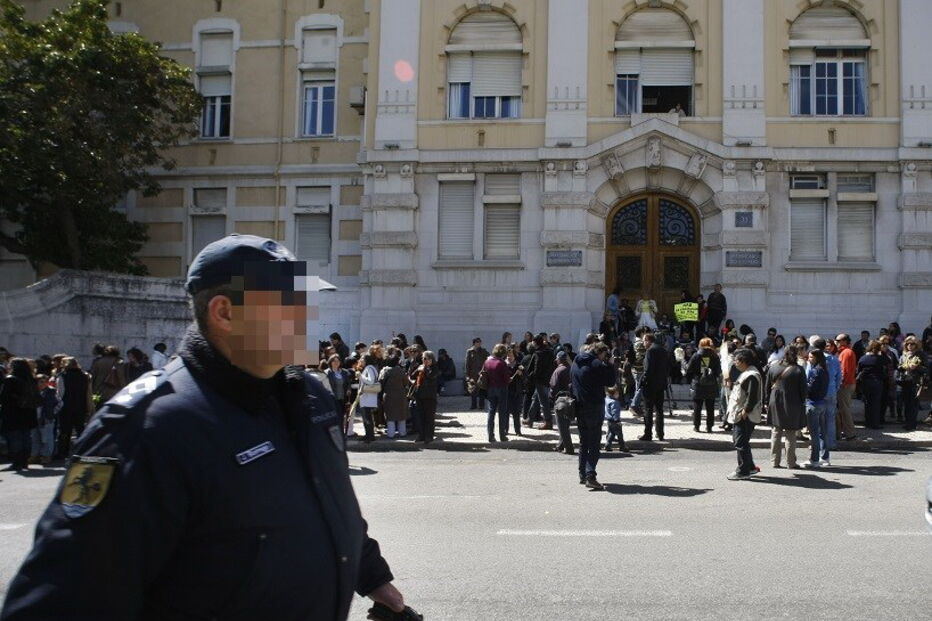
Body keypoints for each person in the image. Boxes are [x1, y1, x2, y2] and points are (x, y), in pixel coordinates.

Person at [0, 234, 410, 621]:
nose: (307, 316)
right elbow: (62, 599)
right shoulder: (147, 427)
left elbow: (330, 498)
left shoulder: (309, 396)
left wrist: (372, 576)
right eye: (289, 303)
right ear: (225, 313)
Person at [570, 342, 617, 490]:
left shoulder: (576, 361)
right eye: (604, 354)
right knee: (595, 443)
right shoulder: (596, 363)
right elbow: (611, 382)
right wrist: (610, 365)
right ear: (601, 352)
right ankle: (590, 475)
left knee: (584, 442)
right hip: (594, 407)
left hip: (579, 406)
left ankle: (582, 474)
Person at [765, 346, 807, 470]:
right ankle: (791, 462)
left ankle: (774, 461)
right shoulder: (798, 370)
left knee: (776, 432)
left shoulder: (774, 367)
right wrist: (802, 402)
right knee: (790, 434)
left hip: (775, 401)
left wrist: (767, 402)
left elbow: (767, 387)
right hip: (793, 403)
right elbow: (803, 390)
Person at [726, 349, 763, 480]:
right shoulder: (747, 373)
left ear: (743, 361)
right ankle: (750, 467)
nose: (735, 362)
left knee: (740, 442)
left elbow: (752, 396)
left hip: (744, 415)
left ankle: (743, 471)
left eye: (736, 360)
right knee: (743, 442)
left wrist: (745, 411)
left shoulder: (751, 375)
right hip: (741, 413)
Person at [0, 358, 39, 471]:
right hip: (29, 412)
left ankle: (17, 462)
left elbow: (3, 397)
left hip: (13, 413)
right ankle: (24, 461)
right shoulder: (31, 379)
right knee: (26, 437)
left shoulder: (10, 379)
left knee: (15, 438)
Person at [53, 357, 94, 460]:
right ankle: (83, 451)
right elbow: (88, 392)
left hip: (66, 406)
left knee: (64, 431)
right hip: (80, 406)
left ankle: (63, 452)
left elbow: (60, 393)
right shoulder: (85, 376)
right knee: (80, 429)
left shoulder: (62, 376)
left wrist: (57, 407)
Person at [685, 337, 721, 433]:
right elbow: (718, 371)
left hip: (698, 382)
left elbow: (689, 369)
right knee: (710, 407)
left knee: (697, 406)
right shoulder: (715, 356)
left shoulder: (696, 355)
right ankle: (709, 426)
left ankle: (697, 426)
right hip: (711, 383)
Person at [639, 332, 669, 442]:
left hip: (650, 384)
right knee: (659, 409)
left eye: (644, 341)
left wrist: (643, 381)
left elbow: (648, 369)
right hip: (661, 383)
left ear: (649, 340)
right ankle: (660, 433)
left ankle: (648, 434)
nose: (643, 343)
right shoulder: (664, 350)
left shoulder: (650, 351)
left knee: (648, 409)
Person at [805, 349, 831, 468]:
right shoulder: (824, 370)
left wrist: (804, 388)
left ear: (817, 358)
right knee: (822, 432)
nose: (809, 359)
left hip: (813, 403)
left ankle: (814, 459)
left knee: (814, 433)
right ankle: (825, 457)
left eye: (811, 357)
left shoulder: (815, 370)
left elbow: (811, 388)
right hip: (822, 402)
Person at [897, 336, 928, 431]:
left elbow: (926, 369)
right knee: (906, 403)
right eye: (907, 344)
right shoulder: (904, 354)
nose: (909, 345)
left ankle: (912, 424)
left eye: (912, 344)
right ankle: (907, 422)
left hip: (915, 382)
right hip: (904, 381)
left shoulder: (920, 355)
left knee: (913, 404)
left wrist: (916, 367)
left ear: (916, 345)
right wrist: (903, 367)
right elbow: (899, 367)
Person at [525, 334, 556, 429]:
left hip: (540, 380)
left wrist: (530, 377)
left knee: (543, 402)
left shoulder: (539, 353)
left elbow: (536, 369)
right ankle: (530, 419)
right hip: (547, 379)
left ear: (535, 342)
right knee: (536, 399)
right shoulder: (549, 351)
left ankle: (548, 421)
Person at [482, 344, 511, 443]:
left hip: (490, 388)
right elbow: (507, 379)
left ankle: (490, 435)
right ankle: (502, 436)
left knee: (491, 412)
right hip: (502, 389)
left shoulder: (487, 361)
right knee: (502, 413)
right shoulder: (502, 363)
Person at [29, 374, 60, 466]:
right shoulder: (33, 392)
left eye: (43, 382)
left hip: (46, 419)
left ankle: (46, 456)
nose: (41, 384)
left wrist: (52, 413)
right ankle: (35, 455)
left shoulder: (51, 391)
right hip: (34, 418)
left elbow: (60, 403)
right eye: (39, 382)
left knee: (46, 438)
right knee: (35, 438)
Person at [410, 351, 440, 443]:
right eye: (423, 358)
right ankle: (421, 435)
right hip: (419, 395)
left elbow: (431, 376)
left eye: (426, 358)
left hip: (429, 396)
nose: (424, 360)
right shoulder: (421, 367)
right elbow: (412, 376)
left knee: (429, 417)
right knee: (420, 416)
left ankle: (429, 436)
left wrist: (425, 369)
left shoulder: (435, 368)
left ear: (431, 359)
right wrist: (417, 369)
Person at [856, 340, 886, 429]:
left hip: (866, 382)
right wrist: (883, 352)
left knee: (867, 402)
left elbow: (859, 369)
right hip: (877, 381)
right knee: (876, 403)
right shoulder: (880, 358)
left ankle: (868, 422)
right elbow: (888, 361)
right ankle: (875, 423)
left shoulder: (863, 358)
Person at [378, 352, 408, 439]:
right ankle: (402, 433)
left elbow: (380, 383)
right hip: (401, 395)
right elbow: (405, 382)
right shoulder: (401, 371)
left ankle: (391, 434)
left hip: (388, 396)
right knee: (401, 415)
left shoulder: (385, 371)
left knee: (390, 415)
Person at [834, 334, 859, 441]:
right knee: (843, 409)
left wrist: (841, 384)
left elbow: (845, 370)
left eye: (838, 340)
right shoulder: (844, 352)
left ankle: (850, 433)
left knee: (844, 410)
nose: (836, 342)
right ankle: (846, 431)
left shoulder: (846, 352)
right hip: (847, 384)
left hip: (845, 385)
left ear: (844, 341)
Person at [549, 350, 573, 454]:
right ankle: (560, 445)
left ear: (559, 360)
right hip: (571, 400)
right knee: (565, 425)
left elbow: (553, 386)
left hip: (560, 400)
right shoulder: (571, 369)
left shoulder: (558, 371)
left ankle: (569, 448)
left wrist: (551, 398)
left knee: (562, 427)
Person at [355, 353, 381, 443]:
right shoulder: (369, 368)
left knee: (367, 417)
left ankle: (370, 436)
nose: (360, 360)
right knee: (366, 417)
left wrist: (360, 376)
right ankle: (368, 435)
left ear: (366, 360)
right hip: (367, 396)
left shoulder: (369, 368)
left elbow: (370, 382)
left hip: (368, 397)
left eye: (362, 358)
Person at [464, 338, 489, 411]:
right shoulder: (469, 351)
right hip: (473, 374)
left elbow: (489, 358)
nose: (479, 343)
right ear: (474, 343)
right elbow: (467, 364)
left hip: (481, 373)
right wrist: (467, 375)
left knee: (481, 389)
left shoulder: (483, 351)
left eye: (480, 342)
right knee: (473, 389)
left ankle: (481, 405)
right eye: (478, 342)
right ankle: (473, 405)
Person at [603, 386, 626, 452]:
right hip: (615, 421)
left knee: (612, 433)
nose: (618, 395)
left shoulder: (607, 400)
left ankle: (607, 445)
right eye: (617, 394)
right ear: (614, 394)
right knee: (620, 435)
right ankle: (622, 446)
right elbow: (615, 412)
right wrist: (617, 421)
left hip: (609, 420)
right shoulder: (615, 402)